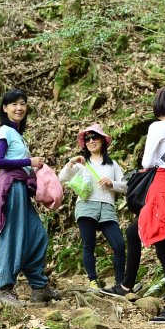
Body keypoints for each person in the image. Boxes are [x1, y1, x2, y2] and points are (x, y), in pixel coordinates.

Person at [101, 85, 165, 324]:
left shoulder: (157, 127)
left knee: (164, 249)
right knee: (133, 232)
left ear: (159, 104)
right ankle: (126, 285)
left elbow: (147, 161)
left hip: (161, 191)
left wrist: (161, 163)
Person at [0, 89, 60, 307]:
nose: (19, 108)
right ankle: (3, 288)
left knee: (37, 235)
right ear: (5, 108)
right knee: (12, 237)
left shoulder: (17, 134)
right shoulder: (5, 131)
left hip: (21, 188)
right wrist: (29, 162)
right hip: (11, 188)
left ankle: (39, 287)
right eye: (13, 104)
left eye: (22, 103)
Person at [58, 124, 127, 291]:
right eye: (87, 138)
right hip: (86, 206)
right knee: (89, 245)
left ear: (103, 140)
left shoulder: (113, 165)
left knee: (119, 245)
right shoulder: (81, 164)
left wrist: (112, 184)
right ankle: (93, 281)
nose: (91, 141)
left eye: (95, 137)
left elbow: (126, 186)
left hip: (107, 207)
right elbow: (61, 178)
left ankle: (120, 283)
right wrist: (71, 162)